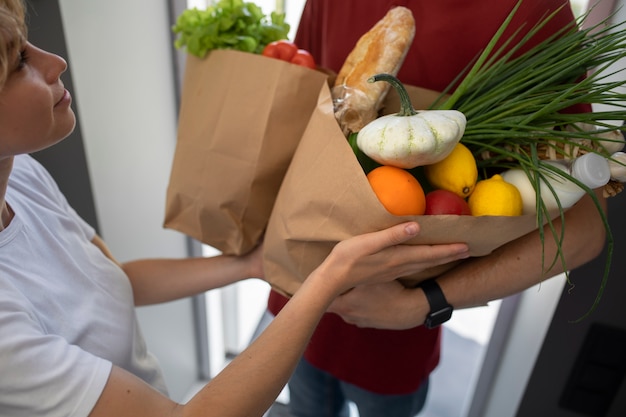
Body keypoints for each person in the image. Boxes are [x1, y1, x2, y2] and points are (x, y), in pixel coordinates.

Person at [0, 0, 474, 416]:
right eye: (19, 61)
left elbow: (111, 280)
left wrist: (250, 264)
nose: (55, 61)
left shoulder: (20, 175)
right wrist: (329, 277)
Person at [263, 1, 609, 416]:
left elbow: (584, 229)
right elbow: (299, 111)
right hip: (295, 307)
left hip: (394, 339)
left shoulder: (532, 11)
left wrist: (422, 304)